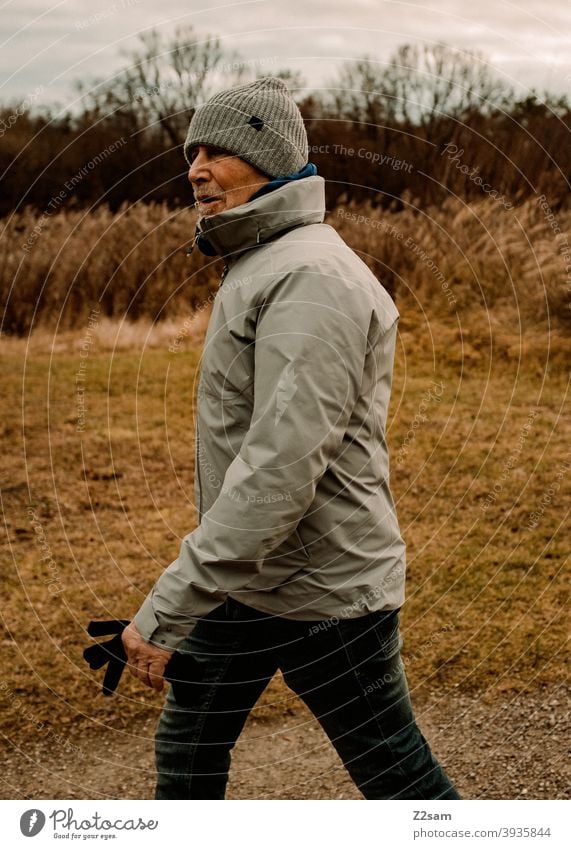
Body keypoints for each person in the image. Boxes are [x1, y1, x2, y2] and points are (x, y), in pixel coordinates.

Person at [121, 76, 461, 801]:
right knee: (187, 749)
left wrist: (171, 600)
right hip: (251, 582)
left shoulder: (309, 275)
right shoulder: (265, 261)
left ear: (269, 157)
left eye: (217, 151)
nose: (195, 169)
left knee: (397, 779)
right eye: (192, 152)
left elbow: (280, 466)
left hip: (322, 594)